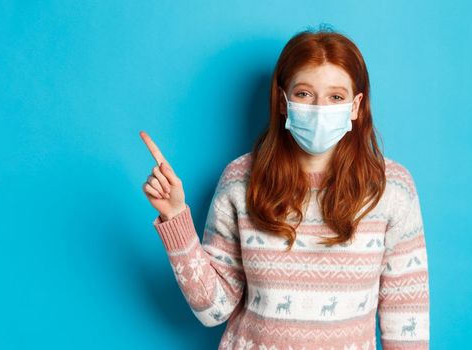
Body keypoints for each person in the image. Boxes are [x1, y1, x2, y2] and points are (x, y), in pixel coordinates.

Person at [139, 27, 429, 349]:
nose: (319, 109)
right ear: (282, 101)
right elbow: (213, 309)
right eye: (305, 94)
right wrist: (175, 216)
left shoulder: (392, 189)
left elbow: (406, 318)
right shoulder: (240, 180)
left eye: (335, 96)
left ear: (355, 106)